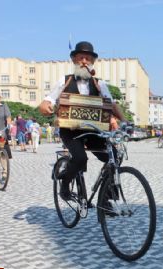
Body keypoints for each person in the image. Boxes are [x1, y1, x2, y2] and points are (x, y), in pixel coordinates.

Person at [38, 41, 126, 200]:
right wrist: (46, 107)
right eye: (81, 58)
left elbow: (112, 105)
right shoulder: (64, 81)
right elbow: (47, 101)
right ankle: (65, 184)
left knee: (114, 156)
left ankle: (105, 198)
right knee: (80, 158)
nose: (84, 61)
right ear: (74, 60)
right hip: (70, 131)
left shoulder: (100, 84)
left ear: (92, 62)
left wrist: (125, 121)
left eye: (87, 58)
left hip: (93, 131)